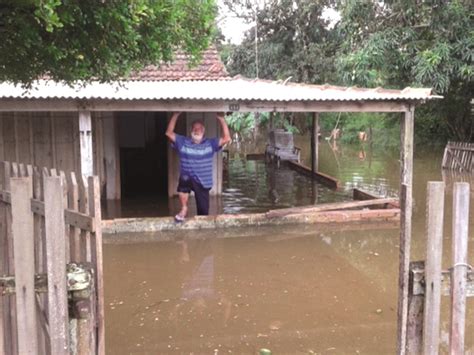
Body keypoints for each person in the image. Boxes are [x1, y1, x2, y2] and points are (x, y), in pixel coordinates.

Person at [165, 112, 231, 221]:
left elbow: (227, 138)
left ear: (203, 131)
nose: (197, 130)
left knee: (203, 215)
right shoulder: (183, 142)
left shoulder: (211, 143)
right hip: (188, 178)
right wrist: (176, 115)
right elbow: (168, 133)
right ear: (191, 130)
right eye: (194, 128)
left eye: (199, 128)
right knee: (184, 177)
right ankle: (184, 208)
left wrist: (221, 119)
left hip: (203, 182)